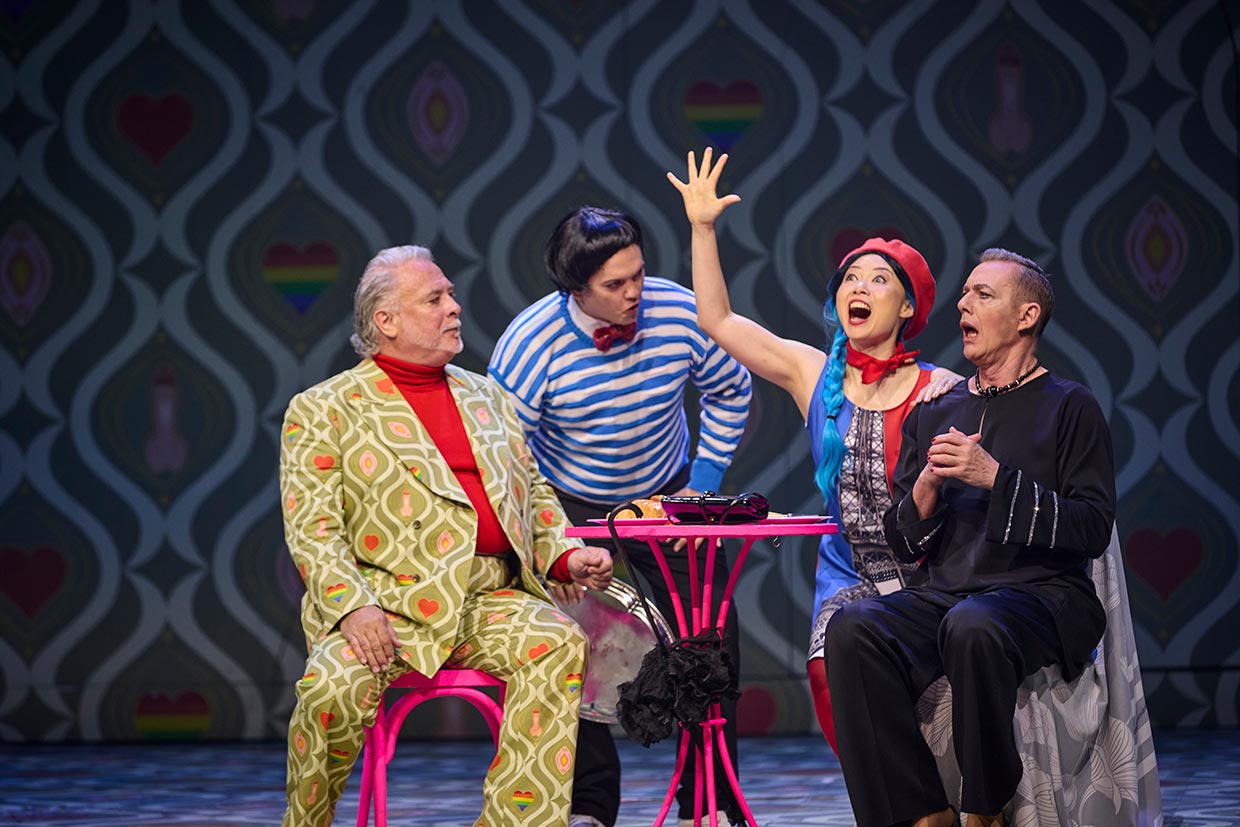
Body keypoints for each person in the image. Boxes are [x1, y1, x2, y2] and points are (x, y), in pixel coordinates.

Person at [279, 245, 615, 827]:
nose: (454, 307)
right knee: (330, 690)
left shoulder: (487, 397)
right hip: (383, 605)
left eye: (451, 295)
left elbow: (533, 495)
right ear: (386, 321)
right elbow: (313, 528)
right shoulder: (324, 409)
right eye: (434, 299)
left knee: (557, 641)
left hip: (486, 599)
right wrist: (352, 606)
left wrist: (565, 555)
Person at [667, 148, 961, 754]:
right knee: (832, 677)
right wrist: (702, 229)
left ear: (907, 307)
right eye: (850, 278)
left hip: (927, 575)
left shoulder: (940, 389)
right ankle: (880, 796)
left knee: (934, 711)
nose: (859, 287)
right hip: (848, 573)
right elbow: (718, 321)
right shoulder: (813, 373)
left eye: (878, 280)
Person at [825, 249, 1115, 827]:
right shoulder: (938, 409)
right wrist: (926, 488)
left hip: (1043, 594)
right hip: (950, 593)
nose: (963, 304)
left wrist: (994, 478)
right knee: (853, 628)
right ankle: (921, 811)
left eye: (983, 295)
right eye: (964, 294)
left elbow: (1092, 526)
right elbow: (903, 542)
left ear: (1027, 316)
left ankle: (984, 809)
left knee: (973, 624)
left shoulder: (1070, 406)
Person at [488, 206, 753, 827]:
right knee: (570, 645)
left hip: (668, 497)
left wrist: (701, 486)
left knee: (712, 636)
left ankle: (708, 802)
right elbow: (505, 453)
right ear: (576, 289)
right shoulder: (530, 344)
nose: (634, 292)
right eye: (615, 284)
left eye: (638, 274)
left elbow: (730, 387)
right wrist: (550, 541)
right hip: (570, 506)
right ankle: (588, 805)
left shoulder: (678, 309)